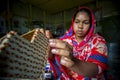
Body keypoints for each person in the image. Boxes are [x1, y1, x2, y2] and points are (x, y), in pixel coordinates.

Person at [40, 6, 108, 80]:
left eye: (85, 23)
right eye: (77, 22)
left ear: (91, 25)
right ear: (73, 22)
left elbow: (97, 69)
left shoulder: (98, 41)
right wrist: (47, 48)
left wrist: (74, 62)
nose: (80, 26)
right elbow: (53, 58)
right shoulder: (64, 40)